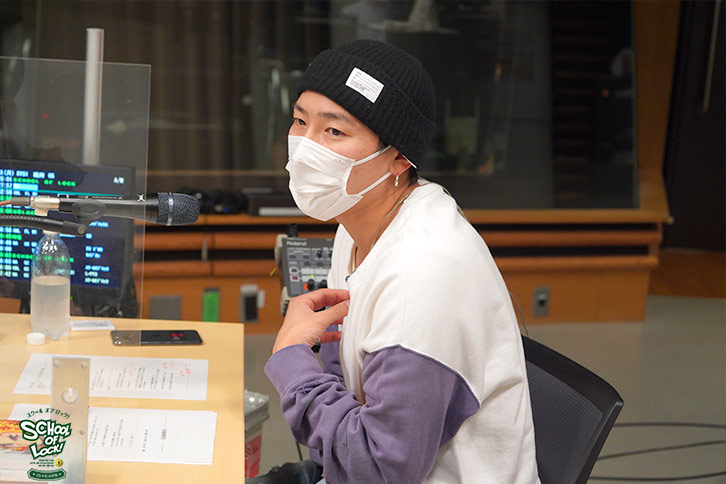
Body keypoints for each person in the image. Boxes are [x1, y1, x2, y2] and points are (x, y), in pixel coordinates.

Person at [249, 39, 540, 484]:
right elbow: (348, 380)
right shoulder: (355, 221)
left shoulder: (423, 272)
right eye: (300, 121)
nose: (304, 147)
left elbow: (380, 469)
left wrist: (292, 361)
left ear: (398, 159)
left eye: (334, 132)